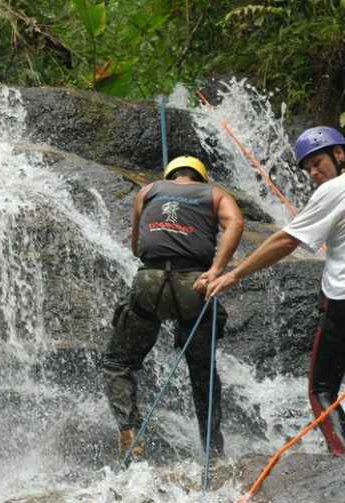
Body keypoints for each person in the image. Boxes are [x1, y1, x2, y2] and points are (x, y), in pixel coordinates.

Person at [206, 126, 345, 455]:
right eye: (308, 167)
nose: (313, 173)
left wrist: (235, 274)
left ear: (339, 154)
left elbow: (286, 240)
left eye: (317, 162)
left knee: (322, 389)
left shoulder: (336, 189)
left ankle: (343, 458)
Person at [102, 155, 244, 460]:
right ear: (200, 177)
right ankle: (213, 449)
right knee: (203, 372)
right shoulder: (216, 194)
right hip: (196, 284)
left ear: (170, 175)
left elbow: (136, 248)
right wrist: (217, 268)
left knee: (118, 363)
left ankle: (130, 433)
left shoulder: (148, 191)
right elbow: (236, 222)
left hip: (150, 283)